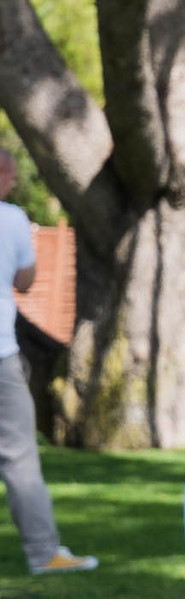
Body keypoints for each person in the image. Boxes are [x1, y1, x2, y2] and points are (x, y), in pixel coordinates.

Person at [0, 149, 96, 574]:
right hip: (0, 356)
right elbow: (26, 280)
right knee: (19, 456)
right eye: (12, 174)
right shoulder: (13, 219)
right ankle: (44, 553)